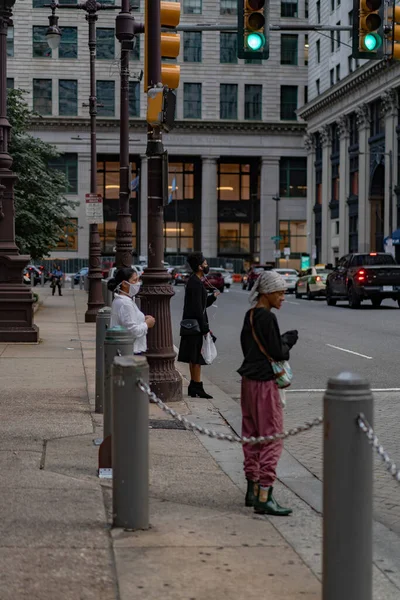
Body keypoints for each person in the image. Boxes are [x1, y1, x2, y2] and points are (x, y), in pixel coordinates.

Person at [238, 270, 298, 516]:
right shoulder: (267, 318)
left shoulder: (250, 315)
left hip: (247, 382)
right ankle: (265, 494)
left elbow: (247, 347)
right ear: (268, 292)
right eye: (281, 293)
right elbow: (278, 352)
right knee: (272, 438)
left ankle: (251, 489)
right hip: (265, 383)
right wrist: (288, 341)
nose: (283, 297)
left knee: (251, 436)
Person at [178, 252, 219, 399]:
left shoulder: (195, 281)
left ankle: (194, 386)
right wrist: (205, 328)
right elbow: (196, 309)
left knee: (194, 357)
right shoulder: (195, 283)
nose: (207, 266)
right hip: (195, 326)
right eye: (206, 263)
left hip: (193, 324)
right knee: (196, 358)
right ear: (200, 266)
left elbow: (201, 305)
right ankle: (197, 386)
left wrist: (212, 298)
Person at [108, 267, 155, 354]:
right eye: (134, 280)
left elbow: (127, 322)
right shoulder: (125, 303)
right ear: (124, 284)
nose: (138, 283)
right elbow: (133, 331)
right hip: (131, 351)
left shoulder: (122, 300)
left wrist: (142, 318)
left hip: (125, 349)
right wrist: (147, 324)